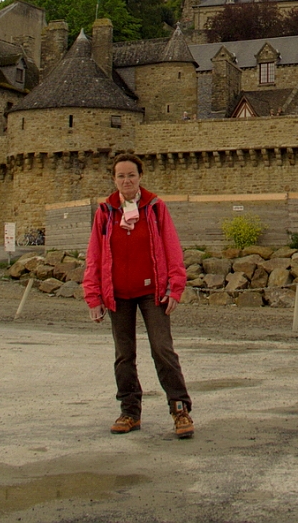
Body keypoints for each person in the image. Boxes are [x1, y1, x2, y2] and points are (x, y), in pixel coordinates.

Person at [84, 152, 193, 439]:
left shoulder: (155, 208)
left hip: (152, 292)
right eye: (121, 175)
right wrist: (93, 296)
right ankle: (129, 411)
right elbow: (94, 256)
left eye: (131, 175)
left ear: (140, 176)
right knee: (124, 355)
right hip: (117, 293)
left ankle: (179, 408)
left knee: (162, 349)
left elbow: (172, 247)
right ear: (114, 179)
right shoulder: (105, 212)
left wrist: (175, 287)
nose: (126, 180)